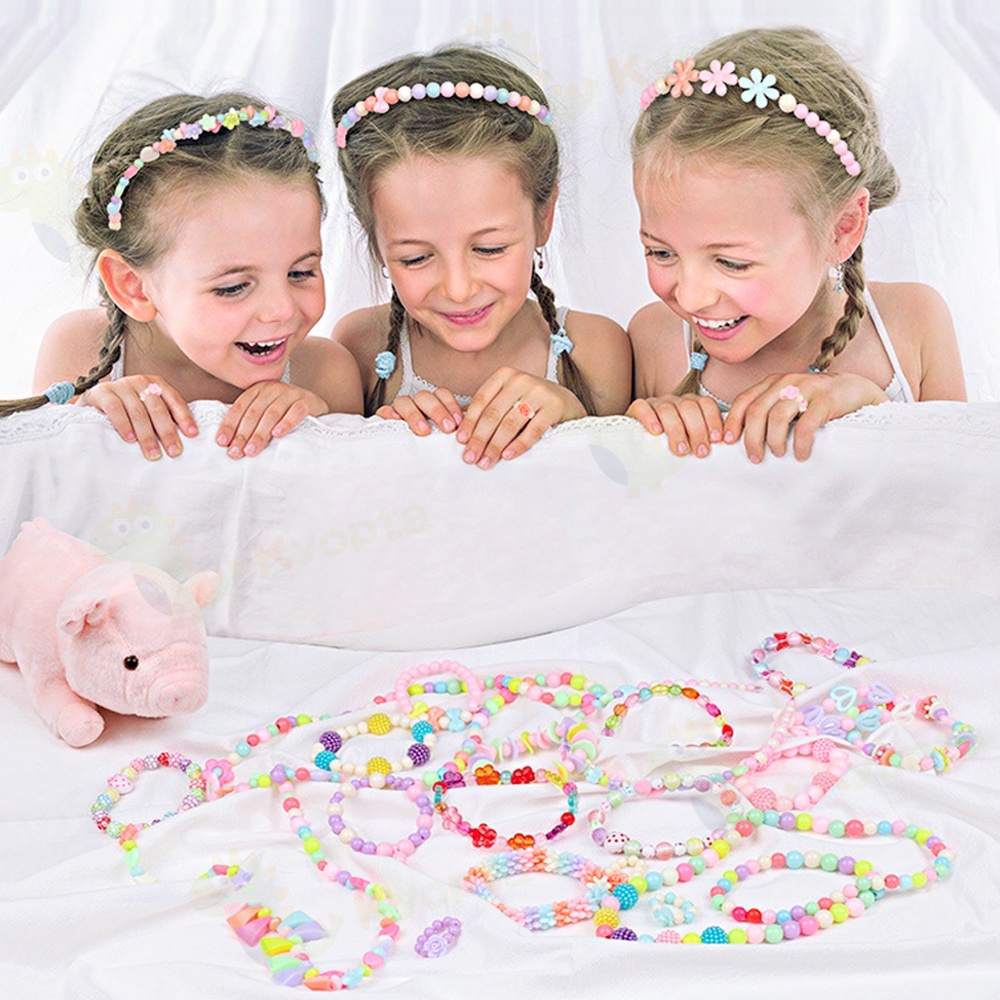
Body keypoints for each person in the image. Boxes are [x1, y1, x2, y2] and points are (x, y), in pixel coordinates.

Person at [626, 27, 966, 462]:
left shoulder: (912, 327)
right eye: (661, 252)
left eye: (732, 262)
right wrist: (643, 434)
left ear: (842, 229)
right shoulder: (654, 341)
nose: (691, 297)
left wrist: (874, 409)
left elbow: (961, 482)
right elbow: (616, 488)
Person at [5, 91, 362, 460]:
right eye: (233, 287)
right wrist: (84, 421)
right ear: (133, 287)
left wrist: (319, 427)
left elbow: (349, 489)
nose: (281, 310)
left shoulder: (326, 375)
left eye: (301, 272)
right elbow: (52, 480)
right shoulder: (79, 349)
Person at [330, 46, 632, 469]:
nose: (459, 289)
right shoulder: (359, 351)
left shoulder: (596, 352)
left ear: (543, 218)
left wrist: (574, 422)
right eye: (415, 258)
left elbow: (624, 488)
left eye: (489, 249)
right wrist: (382, 442)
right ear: (375, 240)